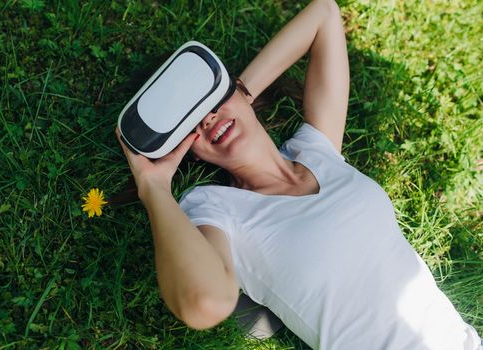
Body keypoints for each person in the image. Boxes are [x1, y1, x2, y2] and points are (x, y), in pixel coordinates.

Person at [116, 0, 482, 348]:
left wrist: (236, 94)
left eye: (210, 103)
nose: (208, 117)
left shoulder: (317, 151)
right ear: (187, 148)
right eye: (191, 123)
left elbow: (324, 14)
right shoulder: (217, 210)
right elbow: (204, 304)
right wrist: (154, 187)